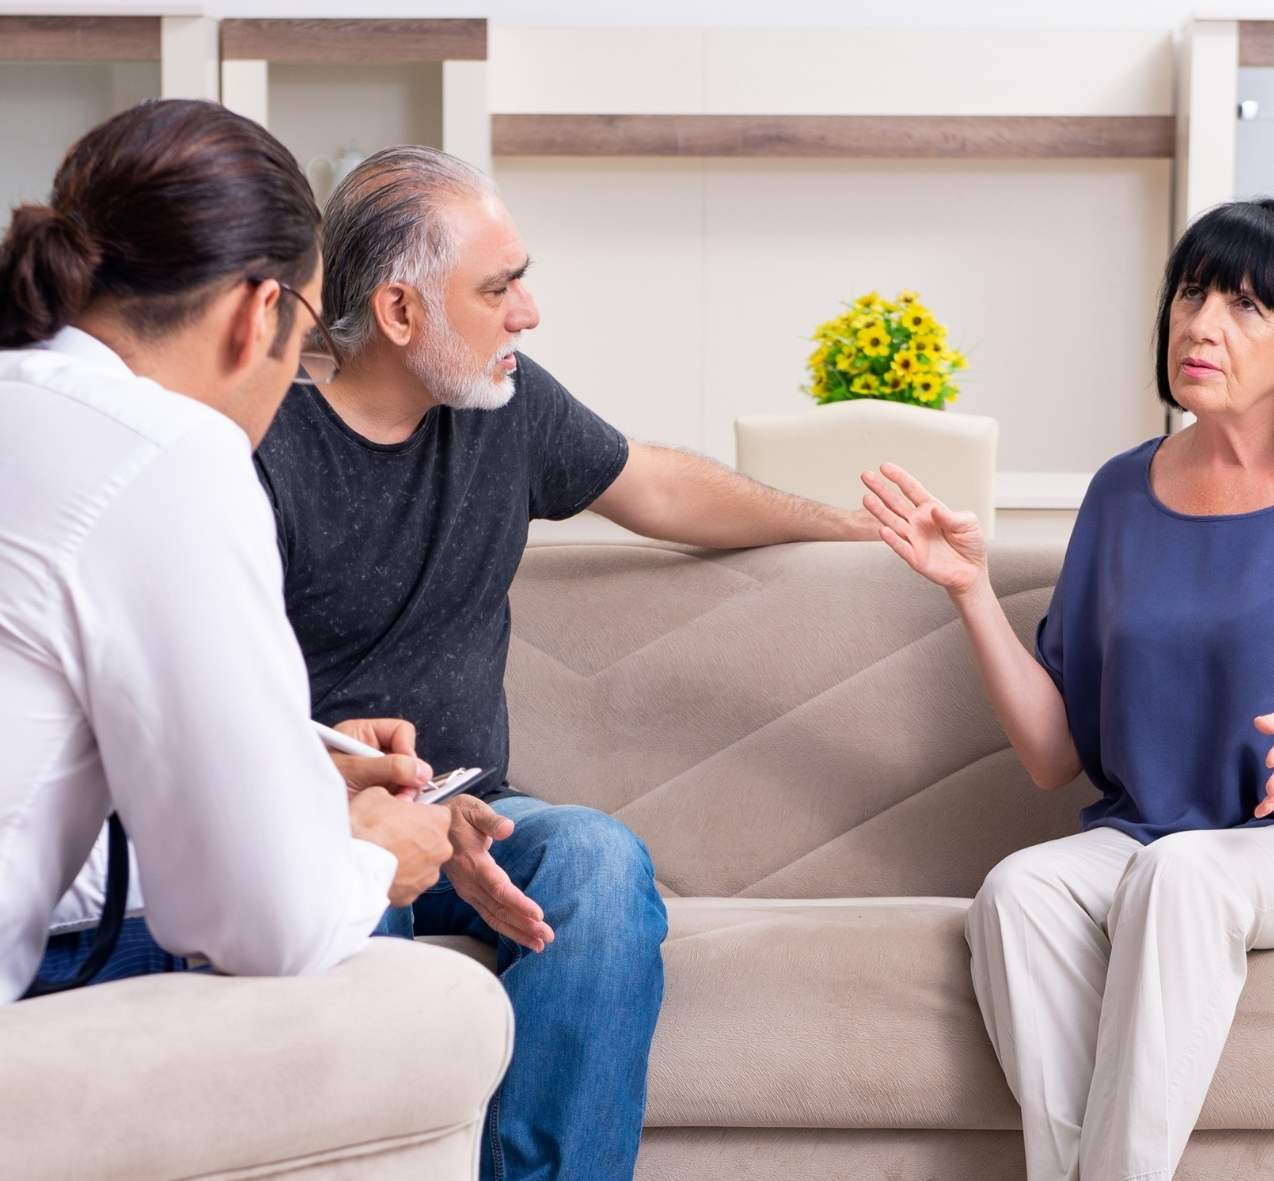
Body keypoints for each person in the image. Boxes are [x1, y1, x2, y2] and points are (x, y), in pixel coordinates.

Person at [0, 100, 452, 1045]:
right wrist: (369, 852)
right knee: (398, 963)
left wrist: (279, 768)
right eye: (309, 344)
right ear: (259, 313)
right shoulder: (171, 452)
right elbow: (268, 926)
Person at [253, 145, 879, 1181]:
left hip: (481, 810)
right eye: (497, 288)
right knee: (356, 905)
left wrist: (855, 529)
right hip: (326, 822)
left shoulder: (504, 406)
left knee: (598, 859)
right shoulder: (262, 448)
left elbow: (659, 487)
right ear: (399, 311)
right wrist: (351, 808)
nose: (528, 313)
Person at [862, 198, 1274, 1181]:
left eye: (1245, 305)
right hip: (1153, 838)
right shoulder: (1120, 493)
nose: (1201, 323)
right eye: (1191, 293)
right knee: (1018, 891)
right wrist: (969, 590)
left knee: (1184, 875)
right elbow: (1053, 756)